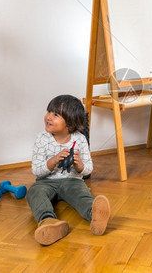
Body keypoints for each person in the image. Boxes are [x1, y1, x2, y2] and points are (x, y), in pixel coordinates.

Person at [27, 94, 110, 245]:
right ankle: (47, 221)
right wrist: (52, 161)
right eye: (49, 111)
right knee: (34, 192)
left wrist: (79, 166)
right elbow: (36, 170)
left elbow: (88, 168)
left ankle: (95, 216)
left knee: (81, 194)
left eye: (56, 114)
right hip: (45, 182)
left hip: (72, 181)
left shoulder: (80, 139)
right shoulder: (41, 139)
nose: (48, 117)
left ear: (70, 124)